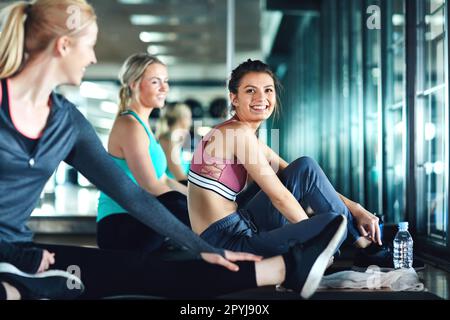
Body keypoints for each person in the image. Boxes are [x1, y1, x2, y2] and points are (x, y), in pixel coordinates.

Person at [0, 0, 346, 300]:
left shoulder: (67, 122)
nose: (92, 57)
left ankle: (289, 267)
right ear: (62, 46)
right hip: (17, 253)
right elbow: (151, 189)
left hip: (23, 254)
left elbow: (132, 195)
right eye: (89, 45)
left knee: (141, 271)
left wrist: (205, 248)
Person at [188, 59, 382, 260]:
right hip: (227, 242)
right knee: (330, 223)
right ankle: (365, 246)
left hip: (241, 223)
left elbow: (309, 178)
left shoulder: (236, 132)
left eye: (268, 90)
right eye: (250, 91)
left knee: (305, 166)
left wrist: (354, 207)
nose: (261, 97)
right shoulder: (237, 134)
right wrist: (315, 240)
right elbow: (279, 196)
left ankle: (362, 244)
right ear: (234, 98)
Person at [96, 54, 190, 252]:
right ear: (134, 84)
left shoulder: (142, 125)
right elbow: (150, 185)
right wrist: (201, 209)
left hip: (141, 217)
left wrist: (199, 197)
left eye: (166, 81)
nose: (165, 88)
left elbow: (163, 179)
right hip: (121, 224)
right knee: (177, 204)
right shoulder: (129, 124)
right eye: (156, 81)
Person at [157, 102, 192, 183]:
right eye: (189, 117)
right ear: (182, 118)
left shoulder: (176, 140)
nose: (191, 121)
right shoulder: (169, 142)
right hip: (171, 190)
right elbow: (180, 177)